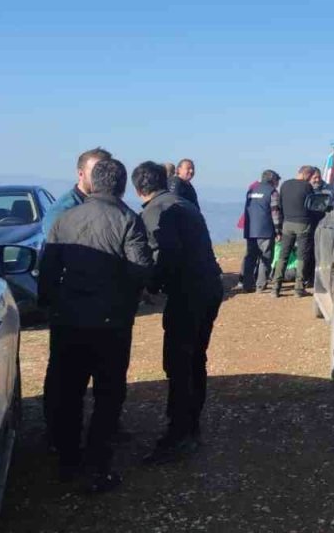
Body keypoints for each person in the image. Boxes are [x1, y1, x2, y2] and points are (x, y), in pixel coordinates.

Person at [39, 158, 152, 493]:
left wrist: (53, 306)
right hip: (110, 324)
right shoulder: (127, 219)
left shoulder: (65, 219)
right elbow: (140, 271)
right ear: (121, 186)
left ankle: (67, 461)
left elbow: (47, 274)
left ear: (93, 183)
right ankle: (97, 466)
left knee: (68, 392)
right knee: (108, 395)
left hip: (68, 322)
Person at [132, 162, 224, 463]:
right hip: (209, 287)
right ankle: (191, 425)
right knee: (196, 357)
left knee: (178, 362)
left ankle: (180, 432)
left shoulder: (156, 211)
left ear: (138, 189)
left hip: (188, 293)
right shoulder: (185, 204)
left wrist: (152, 284)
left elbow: (167, 252)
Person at [41, 147, 113, 237]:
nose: (101, 177)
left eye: (106, 173)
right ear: (81, 174)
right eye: (96, 173)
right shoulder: (61, 213)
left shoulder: (114, 209)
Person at [272, 166, 316, 297]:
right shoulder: (307, 187)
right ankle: (299, 288)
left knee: (283, 255)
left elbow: (279, 205)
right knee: (302, 255)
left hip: (287, 224)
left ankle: (276, 287)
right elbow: (312, 205)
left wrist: (280, 225)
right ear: (307, 175)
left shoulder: (285, 185)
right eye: (310, 177)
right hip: (303, 223)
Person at [240, 170, 281, 293]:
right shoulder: (272, 192)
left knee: (250, 257)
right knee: (266, 257)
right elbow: (275, 213)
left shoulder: (251, 191)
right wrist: (278, 230)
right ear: (273, 180)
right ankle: (260, 285)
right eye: (277, 181)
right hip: (265, 230)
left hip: (250, 229)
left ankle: (247, 284)